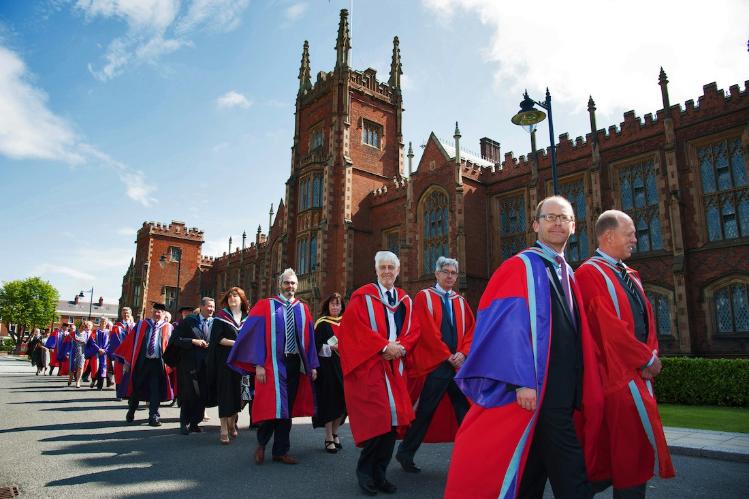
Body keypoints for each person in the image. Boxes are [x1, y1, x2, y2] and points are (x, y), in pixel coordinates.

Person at [445, 196, 604, 499]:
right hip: (541, 390)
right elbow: (507, 328)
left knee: (532, 472)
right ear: (535, 224)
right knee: (572, 477)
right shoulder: (520, 266)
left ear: (574, 226)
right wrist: (521, 381)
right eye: (550, 217)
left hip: (563, 389)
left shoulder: (567, 272)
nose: (557, 223)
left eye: (564, 218)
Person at [575, 210, 675, 497]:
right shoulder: (588, 274)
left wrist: (651, 354)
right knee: (622, 456)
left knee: (635, 455)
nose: (635, 237)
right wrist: (645, 359)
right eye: (629, 232)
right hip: (614, 381)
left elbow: (646, 321)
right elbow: (609, 327)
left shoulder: (630, 275)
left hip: (638, 376)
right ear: (609, 236)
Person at [338, 251, 418, 496]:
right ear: (376, 270)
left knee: (392, 425)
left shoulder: (404, 299)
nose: (386, 271)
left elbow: (414, 329)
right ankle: (365, 474)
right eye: (382, 267)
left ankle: (380, 475)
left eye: (390, 267)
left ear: (397, 270)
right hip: (371, 368)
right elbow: (353, 329)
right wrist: (384, 346)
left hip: (396, 368)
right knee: (377, 423)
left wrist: (401, 347)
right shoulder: (362, 297)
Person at [228, 269, 319, 464]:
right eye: (287, 283)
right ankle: (261, 444)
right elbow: (254, 337)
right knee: (273, 407)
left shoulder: (302, 308)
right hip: (272, 364)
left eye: (293, 283)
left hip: (295, 363)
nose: (290, 286)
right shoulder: (265, 306)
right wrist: (258, 364)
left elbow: (309, 339)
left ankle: (280, 451)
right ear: (280, 285)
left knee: (286, 410)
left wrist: (312, 365)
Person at [396, 256, 475, 473]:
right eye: (446, 272)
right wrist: (446, 355)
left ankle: (471, 456)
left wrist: (463, 352)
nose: (450, 276)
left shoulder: (460, 301)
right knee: (425, 411)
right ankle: (405, 452)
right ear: (437, 274)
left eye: (453, 273)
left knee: (465, 412)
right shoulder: (424, 297)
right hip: (437, 366)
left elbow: (471, 330)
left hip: (457, 366)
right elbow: (428, 332)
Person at [115, 302, 175, 427]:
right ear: (151, 312)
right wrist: (127, 362)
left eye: (160, 312)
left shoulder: (168, 327)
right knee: (137, 388)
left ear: (164, 314)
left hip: (158, 364)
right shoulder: (142, 325)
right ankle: (131, 410)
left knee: (155, 390)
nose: (157, 313)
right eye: (155, 311)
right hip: (142, 362)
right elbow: (130, 342)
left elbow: (172, 347)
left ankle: (154, 416)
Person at [206, 288, 248, 444]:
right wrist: (237, 343)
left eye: (235, 296)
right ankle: (223, 428)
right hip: (225, 361)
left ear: (242, 299)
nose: (232, 298)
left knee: (241, 394)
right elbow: (217, 339)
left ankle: (232, 421)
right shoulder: (220, 317)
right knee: (225, 394)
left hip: (243, 362)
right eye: (229, 296)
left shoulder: (247, 318)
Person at [173, 297, 215, 435]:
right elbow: (176, 340)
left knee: (202, 395)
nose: (211, 309)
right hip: (189, 365)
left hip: (206, 366)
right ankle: (183, 423)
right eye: (209, 306)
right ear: (201, 307)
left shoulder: (215, 323)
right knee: (188, 395)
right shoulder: (188, 322)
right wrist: (193, 341)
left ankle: (194, 423)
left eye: (213, 307)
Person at [312, 292, 347, 453]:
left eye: (338, 304)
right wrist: (331, 347)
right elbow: (315, 346)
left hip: (345, 367)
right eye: (332, 304)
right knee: (330, 402)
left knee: (343, 403)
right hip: (327, 369)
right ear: (328, 306)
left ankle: (335, 432)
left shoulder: (346, 322)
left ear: (341, 306)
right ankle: (328, 436)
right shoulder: (322, 324)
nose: (335, 307)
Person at [108, 308, 134, 401]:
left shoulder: (134, 326)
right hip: (119, 354)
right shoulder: (116, 327)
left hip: (131, 353)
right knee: (119, 373)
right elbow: (113, 342)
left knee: (130, 373)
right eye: (124, 313)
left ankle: (128, 393)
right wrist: (114, 354)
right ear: (121, 314)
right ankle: (119, 394)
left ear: (130, 314)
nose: (125, 315)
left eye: (127, 313)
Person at [86, 320, 110, 390]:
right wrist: (98, 349)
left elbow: (110, 343)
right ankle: (93, 380)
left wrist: (105, 350)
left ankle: (100, 386)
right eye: (102, 322)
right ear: (100, 323)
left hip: (104, 353)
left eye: (105, 322)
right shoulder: (95, 332)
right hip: (96, 353)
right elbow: (92, 341)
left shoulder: (109, 332)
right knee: (95, 368)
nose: (104, 323)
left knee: (103, 369)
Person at [68, 322, 91, 388]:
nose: (84, 328)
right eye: (83, 327)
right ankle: (70, 378)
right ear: (80, 326)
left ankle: (78, 381)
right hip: (74, 352)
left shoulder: (87, 334)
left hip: (82, 353)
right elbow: (68, 342)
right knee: (72, 367)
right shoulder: (73, 333)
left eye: (85, 327)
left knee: (80, 367)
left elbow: (88, 342)